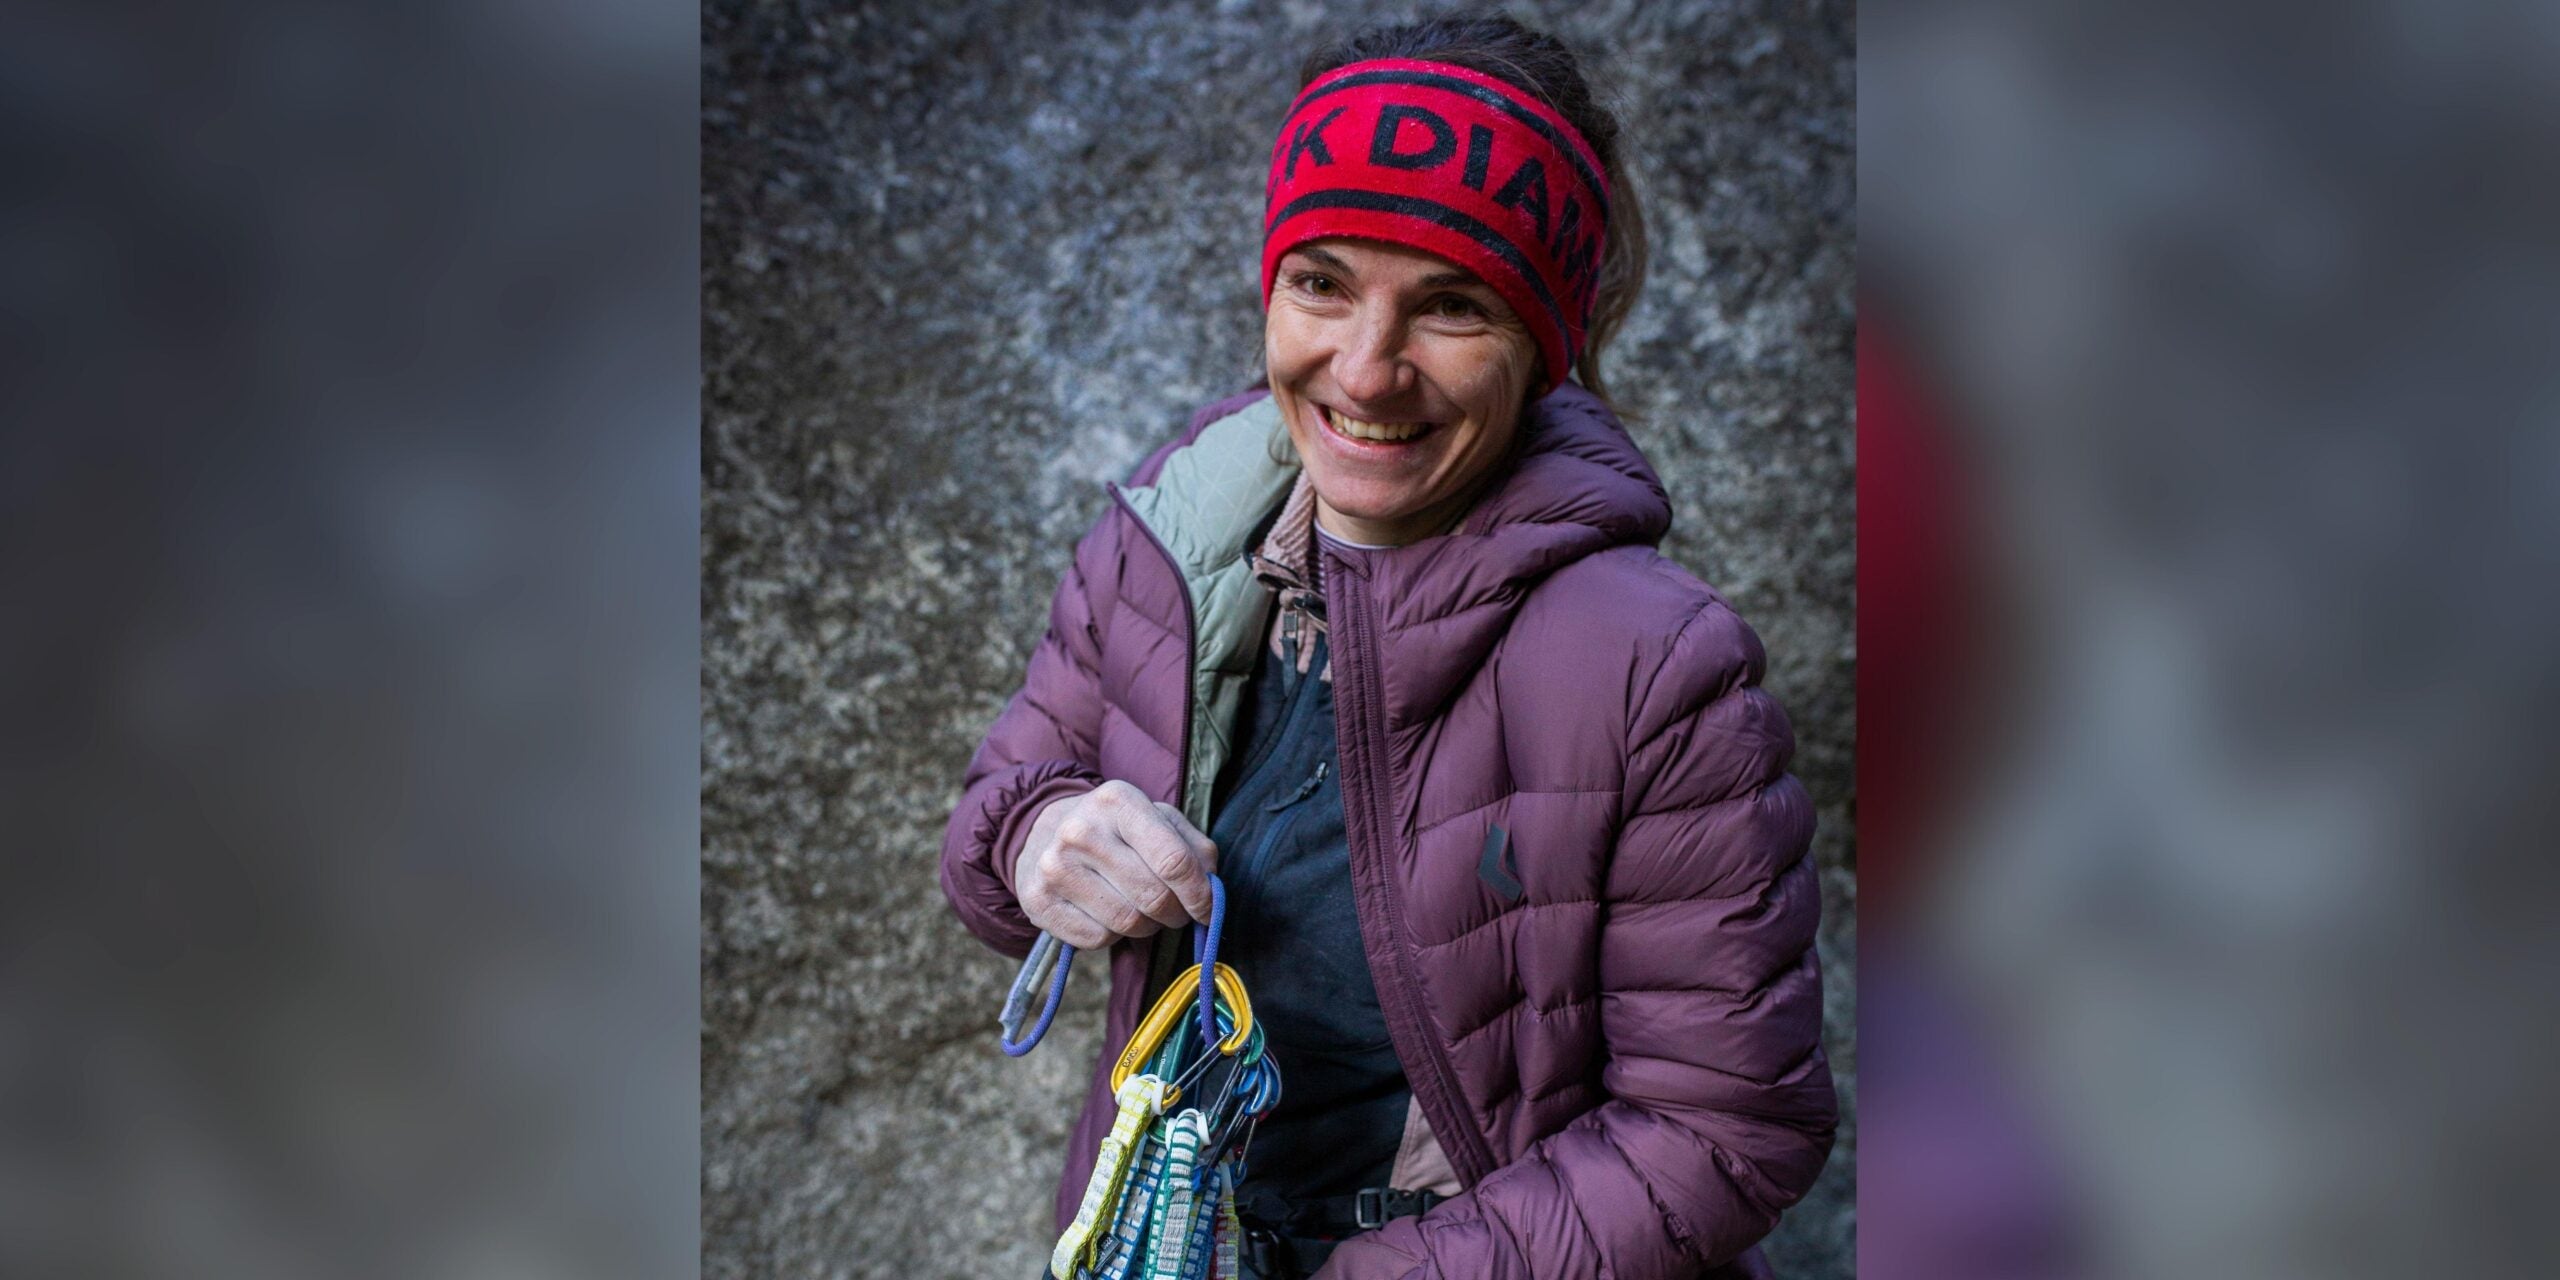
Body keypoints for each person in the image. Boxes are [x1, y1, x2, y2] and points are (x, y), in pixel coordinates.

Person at [941, 14, 1835, 1278]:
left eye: (1452, 305)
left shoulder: (1659, 670)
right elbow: (987, 836)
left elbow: (1727, 1128)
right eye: (1321, 282)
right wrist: (1037, 838)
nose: (1364, 370)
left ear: (1542, 344)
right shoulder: (1171, 536)